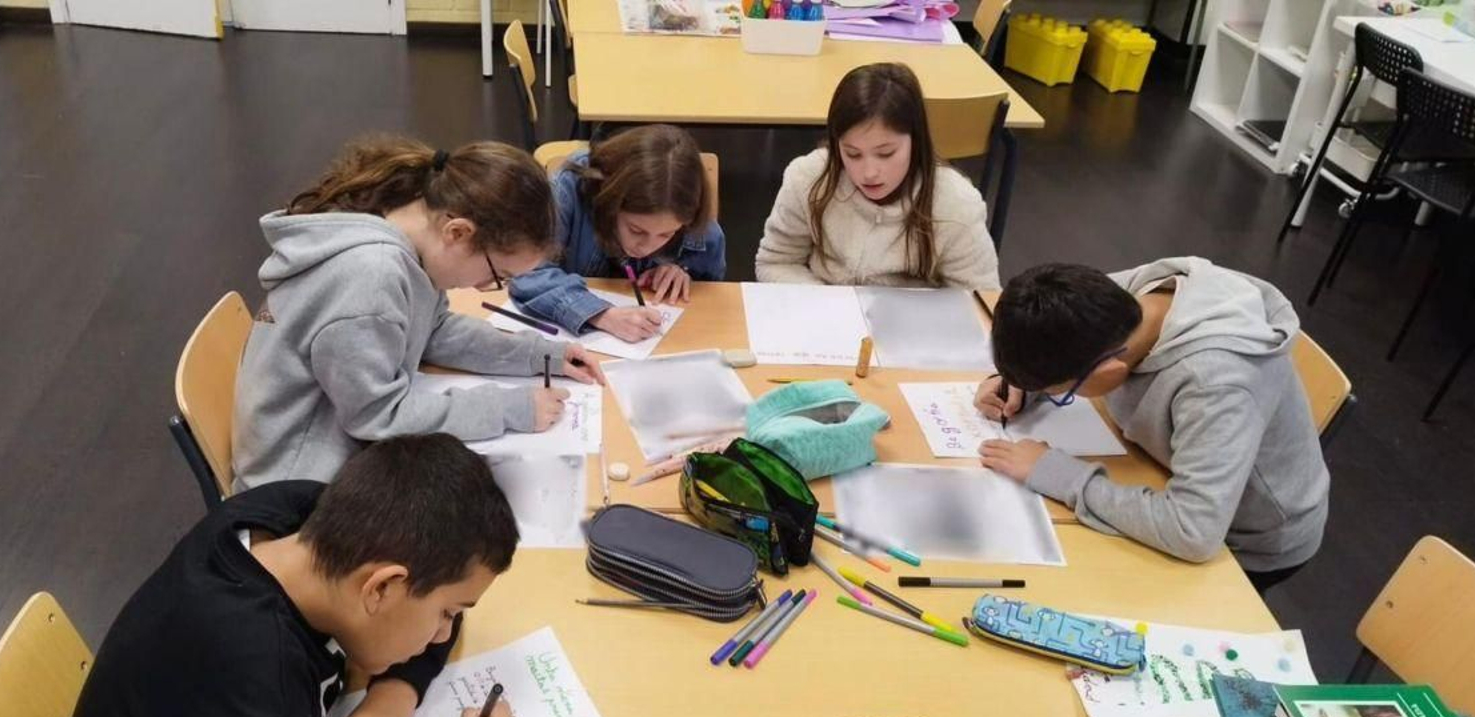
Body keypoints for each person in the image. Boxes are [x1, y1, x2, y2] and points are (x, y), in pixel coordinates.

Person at [60, 434, 523, 717]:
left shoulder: (300, 516)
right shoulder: (255, 712)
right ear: (380, 587)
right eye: (445, 613)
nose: (444, 631)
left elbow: (439, 579)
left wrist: (392, 700)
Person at [231, 135, 605, 492]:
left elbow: (434, 329)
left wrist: (540, 355)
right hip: (297, 483)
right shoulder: (371, 278)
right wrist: (509, 408)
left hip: (332, 446)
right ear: (457, 232)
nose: (484, 288)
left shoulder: (408, 224)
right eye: (497, 276)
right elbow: (379, 415)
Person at [976, 259, 1328, 593]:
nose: (1056, 395)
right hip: (1160, 464)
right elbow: (1067, 343)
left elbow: (1193, 530)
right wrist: (1019, 382)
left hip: (1246, 536)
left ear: (1108, 372)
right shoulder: (1127, 298)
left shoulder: (1215, 382)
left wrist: (1056, 473)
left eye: (1061, 393)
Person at [754, 62, 1000, 289]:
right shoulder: (808, 178)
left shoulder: (955, 205)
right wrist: (825, 304)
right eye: (852, 154)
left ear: (916, 140)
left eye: (886, 153)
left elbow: (981, 299)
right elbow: (776, 262)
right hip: (825, 324)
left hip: (912, 331)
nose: (869, 173)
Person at [507, 125, 726, 341]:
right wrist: (602, 315)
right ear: (610, 202)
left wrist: (682, 272)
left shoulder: (695, 219)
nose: (647, 247)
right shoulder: (570, 189)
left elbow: (712, 295)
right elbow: (525, 271)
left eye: (666, 235)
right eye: (636, 230)